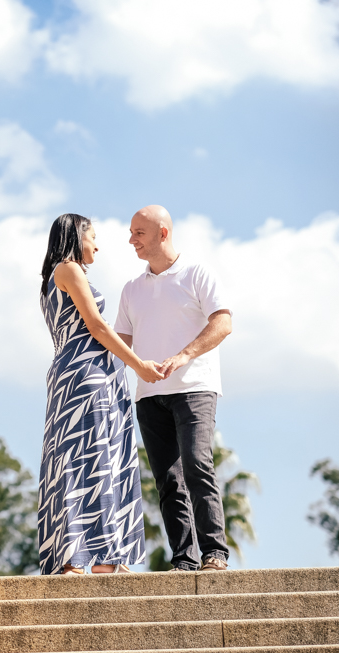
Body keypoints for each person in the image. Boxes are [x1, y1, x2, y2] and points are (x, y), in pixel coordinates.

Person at [38, 213, 159, 576]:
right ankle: (82, 557)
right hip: (87, 376)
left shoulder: (52, 278)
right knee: (91, 458)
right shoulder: (69, 270)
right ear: (77, 236)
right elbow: (96, 325)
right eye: (93, 236)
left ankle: (101, 556)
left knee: (91, 457)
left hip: (85, 375)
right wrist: (137, 363)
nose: (97, 245)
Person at [114, 205, 233, 572]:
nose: (131, 239)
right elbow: (119, 342)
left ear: (162, 233)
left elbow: (223, 323)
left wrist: (183, 356)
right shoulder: (132, 289)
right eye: (132, 232)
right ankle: (183, 557)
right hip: (149, 397)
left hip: (195, 389)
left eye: (139, 233)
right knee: (167, 479)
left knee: (197, 464)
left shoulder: (197, 274)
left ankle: (214, 553)